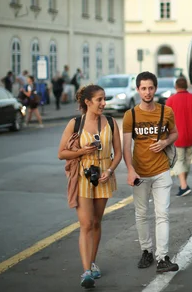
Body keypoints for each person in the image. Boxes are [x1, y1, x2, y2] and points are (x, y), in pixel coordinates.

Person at [57, 84, 122, 289]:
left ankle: (92, 263)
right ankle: (86, 272)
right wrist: (82, 151)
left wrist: (109, 171)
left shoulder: (111, 122)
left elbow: (118, 153)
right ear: (88, 102)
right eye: (99, 100)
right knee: (85, 224)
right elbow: (61, 153)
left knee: (96, 222)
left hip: (104, 176)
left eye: (104, 99)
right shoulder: (75, 123)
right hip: (84, 177)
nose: (104, 103)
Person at [122, 71, 180, 273]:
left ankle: (162, 257)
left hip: (161, 171)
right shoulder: (131, 115)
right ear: (138, 90)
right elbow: (126, 146)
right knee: (141, 214)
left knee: (162, 214)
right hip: (140, 173)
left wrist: (165, 141)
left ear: (155, 89)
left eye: (150, 88)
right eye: (143, 88)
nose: (147, 92)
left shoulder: (167, 112)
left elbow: (174, 133)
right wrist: (130, 170)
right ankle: (146, 250)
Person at [165, 76, 192, 197]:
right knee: (187, 161)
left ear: (176, 86)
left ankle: (183, 186)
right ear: (187, 86)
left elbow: (165, 118)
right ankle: (184, 183)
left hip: (177, 136)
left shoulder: (171, 100)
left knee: (179, 161)